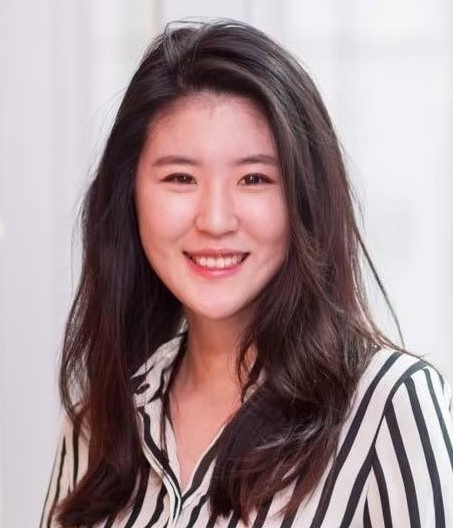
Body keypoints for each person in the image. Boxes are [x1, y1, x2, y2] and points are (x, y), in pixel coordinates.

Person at [40, 19, 453, 528]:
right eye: (180, 177)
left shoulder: (389, 405)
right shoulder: (98, 425)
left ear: (304, 197)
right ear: (130, 195)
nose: (215, 220)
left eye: (254, 178)